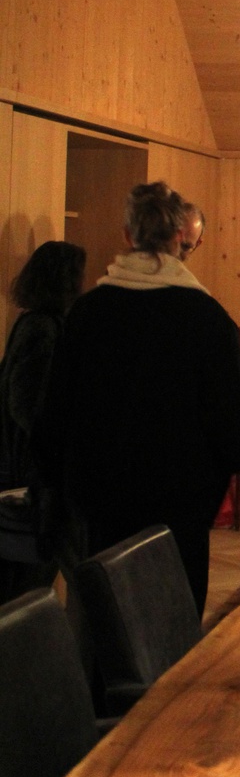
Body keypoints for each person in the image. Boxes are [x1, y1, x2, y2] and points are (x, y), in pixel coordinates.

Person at [42, 182, 240, 615]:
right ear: (179, 237)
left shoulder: (88, 312)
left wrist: (63, 489)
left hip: (102, 503)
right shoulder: (205, 316)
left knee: (107, 618)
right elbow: (235, 425)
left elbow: (54, 414)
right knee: (171, 620)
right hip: (180, 506)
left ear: (127, 235)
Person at [0, 240, 86, 597]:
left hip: (25, 467)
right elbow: (28, 404)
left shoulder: (33, 322)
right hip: (31, 471)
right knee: (32, 573)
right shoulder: (44, 328)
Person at [179, 201, 240, 362]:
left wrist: (226, 336)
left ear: (198, 243)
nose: (175, 251)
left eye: (185, 246)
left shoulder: (195, 297)